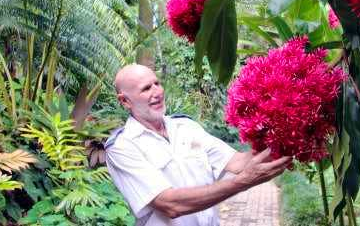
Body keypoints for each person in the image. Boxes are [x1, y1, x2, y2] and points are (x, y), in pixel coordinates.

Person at [105, 64, 292, 226]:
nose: (158, 92)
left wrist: (285, 130)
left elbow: (237, 162)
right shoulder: (122, 147)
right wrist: (242, 182)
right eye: (146, 89)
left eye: (157, 83)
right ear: (125, 101)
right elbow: (170, 204)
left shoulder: (185, 127)